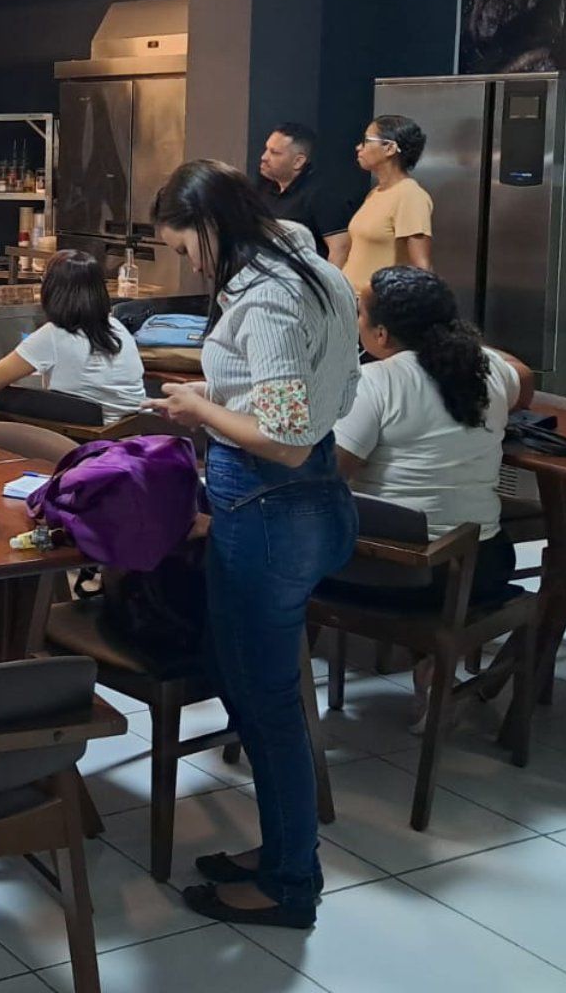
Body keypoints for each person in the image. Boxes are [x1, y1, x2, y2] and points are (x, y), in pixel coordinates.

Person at [146, 159, 360, 930]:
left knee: (265, 706)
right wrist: (215, 397)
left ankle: (289, 884)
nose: (189, 264)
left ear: (210, 226)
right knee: (259, 696)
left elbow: (283, 438)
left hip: (274, 508)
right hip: (315, 501)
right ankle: (280, 854)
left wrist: (198, 409)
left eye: (183, 247)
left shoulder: (266, 300)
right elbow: (309, 398)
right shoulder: (300, 252)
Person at [326, 266, 533, 730]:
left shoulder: (374, 382)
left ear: (380, 332)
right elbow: (524, 377)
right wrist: (465, 343)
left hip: (383, 573)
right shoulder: (488, 371)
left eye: (360, 315)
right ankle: (434, 672)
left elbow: (329, 475)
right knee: (443, 528)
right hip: (479, 570)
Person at [0, 248, 147, 423]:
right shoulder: (117, 327)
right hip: (129, 432)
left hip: (83, 435)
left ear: (51, 290)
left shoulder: (54, 334)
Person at [342, 115, 434, 294]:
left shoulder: (410, 195)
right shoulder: (375, 193)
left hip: (378, 307)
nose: (359, 147)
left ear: (390, 148)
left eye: (366, 141)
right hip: (352, 302)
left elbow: (421, 268)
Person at [257, 122, 351, 265]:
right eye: (266, 149)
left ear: (298, 161)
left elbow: (340, 248)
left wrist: (326, 286)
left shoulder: (322, 194)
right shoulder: (264, 188)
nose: (264, 157)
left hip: (304, 280)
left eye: (274, 153)